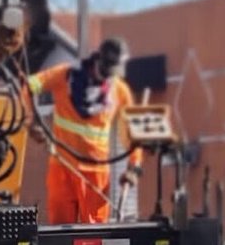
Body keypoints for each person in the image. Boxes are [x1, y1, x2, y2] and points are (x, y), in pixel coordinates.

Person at [27, 37, 143, 224]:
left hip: (96, 174)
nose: (109, 76)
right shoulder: (65, 76)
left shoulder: (120, 90)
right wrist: (30, 121)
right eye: (107, 70)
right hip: (62, 168)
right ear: (99, 60)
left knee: (95, 238)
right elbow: (29, 85)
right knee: (60, 234)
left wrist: (134, 167)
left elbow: (132, 131)